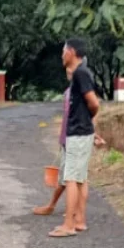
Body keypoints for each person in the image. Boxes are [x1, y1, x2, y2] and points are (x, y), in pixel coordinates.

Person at [49, 38, 100, 238]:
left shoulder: (80, 73)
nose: (62, 55)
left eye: (63, 51)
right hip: (81, 131)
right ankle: (79, 221)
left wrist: (86, 119)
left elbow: (94, 103)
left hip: (79, 132)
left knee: (71, 178)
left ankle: (68, 224)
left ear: (71, 51)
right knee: (80, 178)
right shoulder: (80, 74)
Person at [33, 67, 73, 217]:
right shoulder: (68, 92)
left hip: (74, 140)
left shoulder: (79, 91)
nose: (68, 72)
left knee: (71, 178)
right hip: (67, 140)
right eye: (67, 70)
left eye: (72, 69)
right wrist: (62, 137)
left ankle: (69, 210)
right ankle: (57, 207)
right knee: (67, 177)